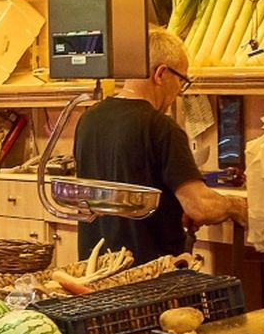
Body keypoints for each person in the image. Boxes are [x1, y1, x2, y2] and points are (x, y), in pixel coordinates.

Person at [74, 28, 248, 263]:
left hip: (96, 272)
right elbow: (201, 207)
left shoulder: (89, 119)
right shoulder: (161, 127)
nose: (179, 92)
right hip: (148, 278)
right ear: (161, 74)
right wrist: (235, 206)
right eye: (181, 80)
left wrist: (174, 206)